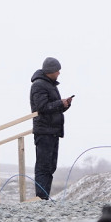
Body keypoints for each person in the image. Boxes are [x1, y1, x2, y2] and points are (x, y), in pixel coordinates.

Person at [30, 57, 72, 199]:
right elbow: (41, 107)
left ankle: (44, 197)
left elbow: (52, 108)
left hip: (53, 131)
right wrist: (59, 103)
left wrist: (65, 104)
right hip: (44, 131)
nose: (59, 73)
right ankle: (41, 197)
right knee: (43, 166)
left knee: (50, 166)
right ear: (50, 71)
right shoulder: (39, 85)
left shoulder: (50, 85)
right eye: (57, 70)